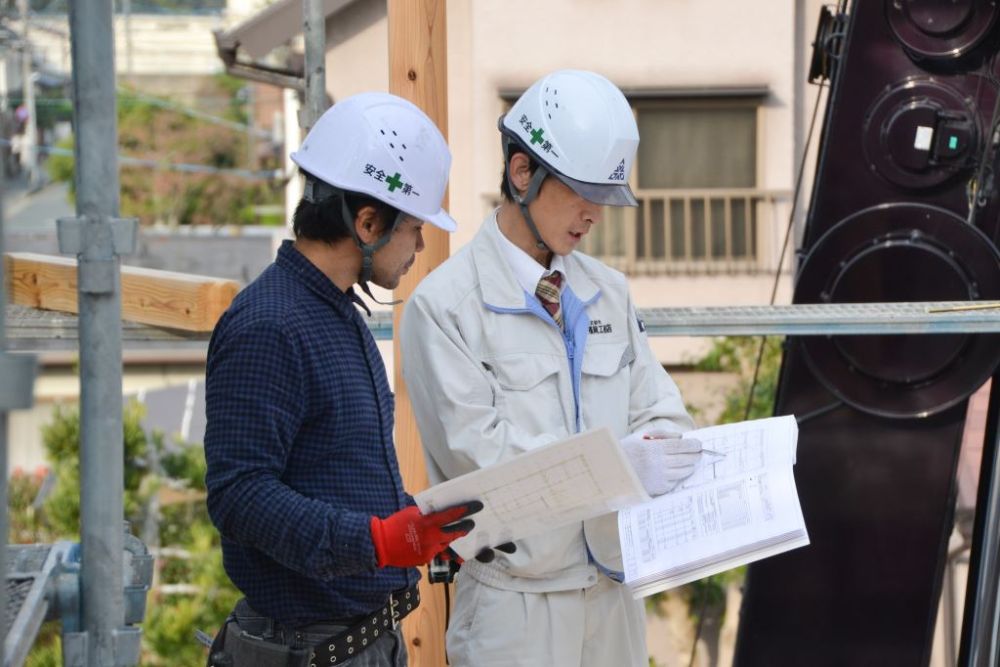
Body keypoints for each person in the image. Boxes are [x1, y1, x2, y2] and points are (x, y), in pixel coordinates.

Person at [400, 69, 704, 666]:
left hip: (614, 595)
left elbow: (663, 410)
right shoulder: (445, 308)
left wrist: (667, 445)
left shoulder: (608, 292)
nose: (594, 215)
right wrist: (621, 462)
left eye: (605, 199)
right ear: (522, 173)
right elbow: (486, 465)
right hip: (515, 611)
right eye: (581, 193)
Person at [203, 92, 485, 667]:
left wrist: (415, 526)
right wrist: (378, 542)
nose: (420, 246)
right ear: (367, 222)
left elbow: (337, 475)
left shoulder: (337, 315)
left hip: (356, 643)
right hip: (305, 650)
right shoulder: (269, 324)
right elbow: (239, 493)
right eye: (414, 229)